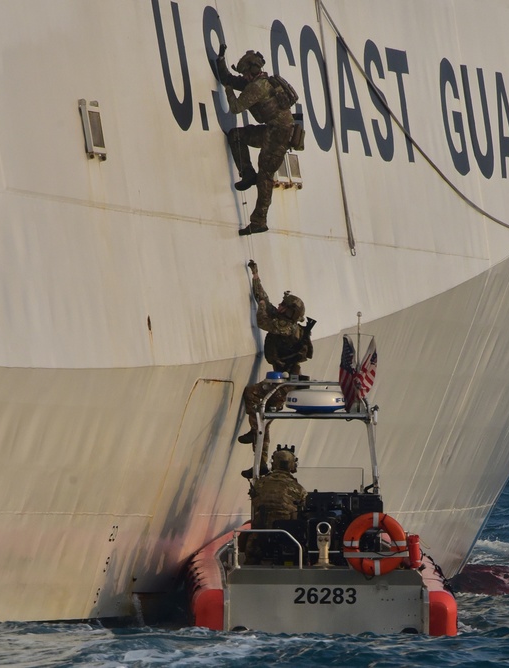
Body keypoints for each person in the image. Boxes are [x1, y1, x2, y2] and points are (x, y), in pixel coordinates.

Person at [239, 260, 313, 478]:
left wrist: (263, 306)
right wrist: (256, 277)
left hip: (286, 381)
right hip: (282, 379)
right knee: (264, 418)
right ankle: (259, 462)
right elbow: (266, 302)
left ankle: (255, 435)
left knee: (253, 396)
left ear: (290, 314)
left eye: (284, 307)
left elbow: (263, 319)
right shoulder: (284, 320)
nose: (279, 307)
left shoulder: (287, 327)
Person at [216, 46, 295, 236]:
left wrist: (227, 90)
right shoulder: (262, 82)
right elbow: (233, 79)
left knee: (265, 176)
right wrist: (221, 61)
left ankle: (259, 221)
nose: (243, 77)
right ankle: (248, 174)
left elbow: (235, 107)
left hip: (279, 135)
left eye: (244, 73)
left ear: (251, 72)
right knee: (236, 136)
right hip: (271, 131)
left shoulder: (257, 87)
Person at [243, 445, 308, 565]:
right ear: (292, 465)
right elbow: (304, 511)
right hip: (287, 539)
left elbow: (255, 501)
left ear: (274, 463)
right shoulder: (299, 490)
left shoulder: (260, 483)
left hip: (259, 539)